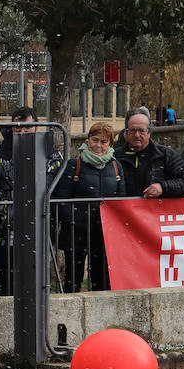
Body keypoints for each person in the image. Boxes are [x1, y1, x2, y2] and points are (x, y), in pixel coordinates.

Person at [0, 107, 61, 296]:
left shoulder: (50, 153)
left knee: (35, 275)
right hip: (5, 227)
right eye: (18, 128)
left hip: (39, 225)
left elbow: (55, 185)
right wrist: (3, 215)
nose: (23, 132)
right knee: (5, 273)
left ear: (36, 127)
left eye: (27, 127)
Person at [53, 121, 126, 293]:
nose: (98, 145)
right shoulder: (74, 165)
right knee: (73, 280)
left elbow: (121, 199)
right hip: (76, 232)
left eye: (103, 142)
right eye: (95, 140)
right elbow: (62, 198)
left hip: (104, 233)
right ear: (88, 140)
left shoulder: (115, 166)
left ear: (110, 144)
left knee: (102, 281)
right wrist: (73, 221)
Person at [114, 109, 184, 199]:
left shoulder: (165, 155)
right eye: (132, 130)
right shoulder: (115, 157)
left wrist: (163, 187)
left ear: (149, 132)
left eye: (141, 130)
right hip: (123, 207)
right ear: (126, 132)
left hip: (157, 207)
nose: (136, 135)